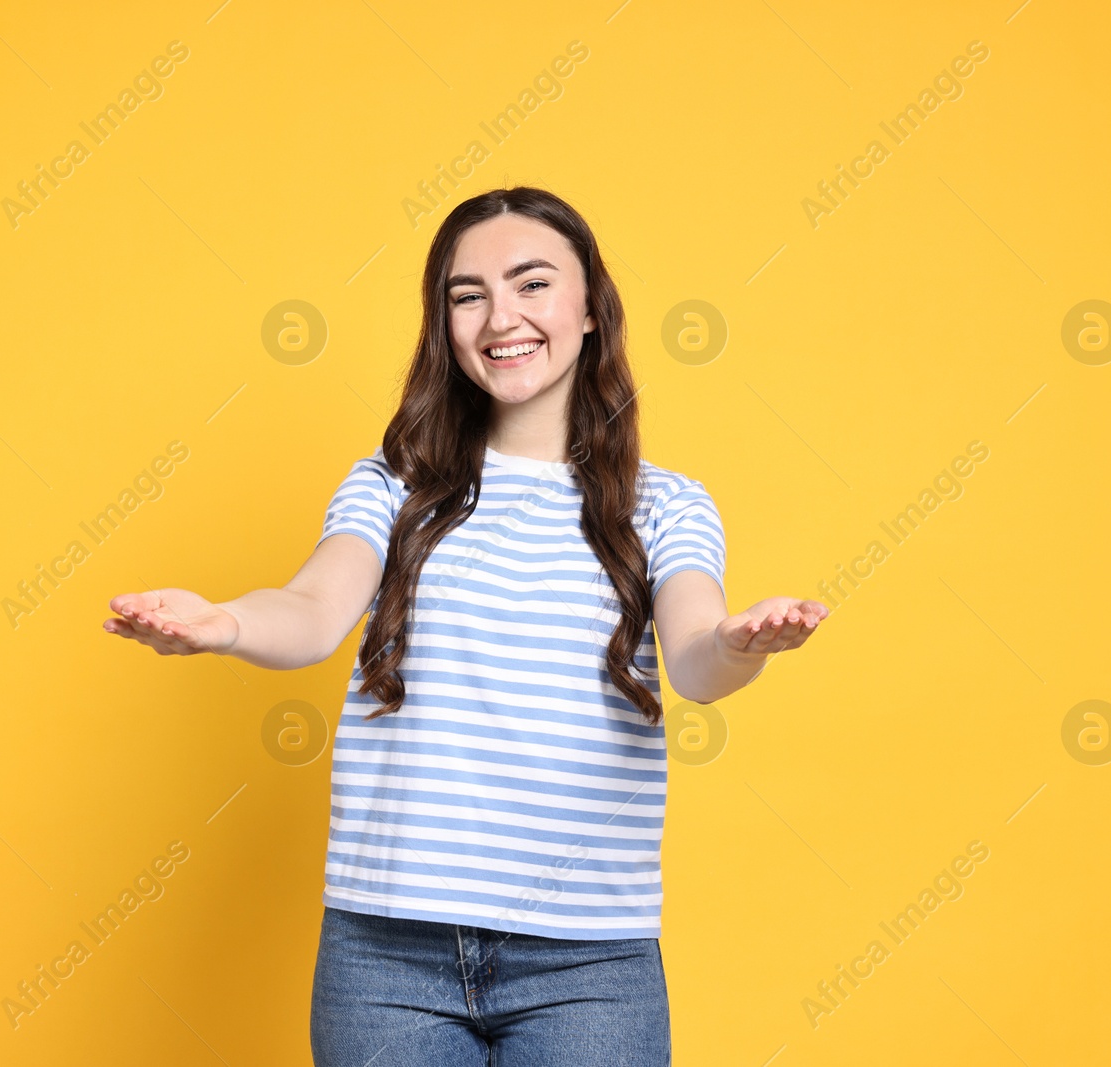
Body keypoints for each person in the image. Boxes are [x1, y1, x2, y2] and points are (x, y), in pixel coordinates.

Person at [103, 186, 827, 1066]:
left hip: (588, 957)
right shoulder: (392, 484)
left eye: (531, 284)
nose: (499, 317)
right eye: (466, 294)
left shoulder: (664, 505)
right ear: (443, 321)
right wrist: (223, 622)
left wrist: (740, 642)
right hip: (386, 952)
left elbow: (696, 657)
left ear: (591, 308)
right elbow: (312, 609)